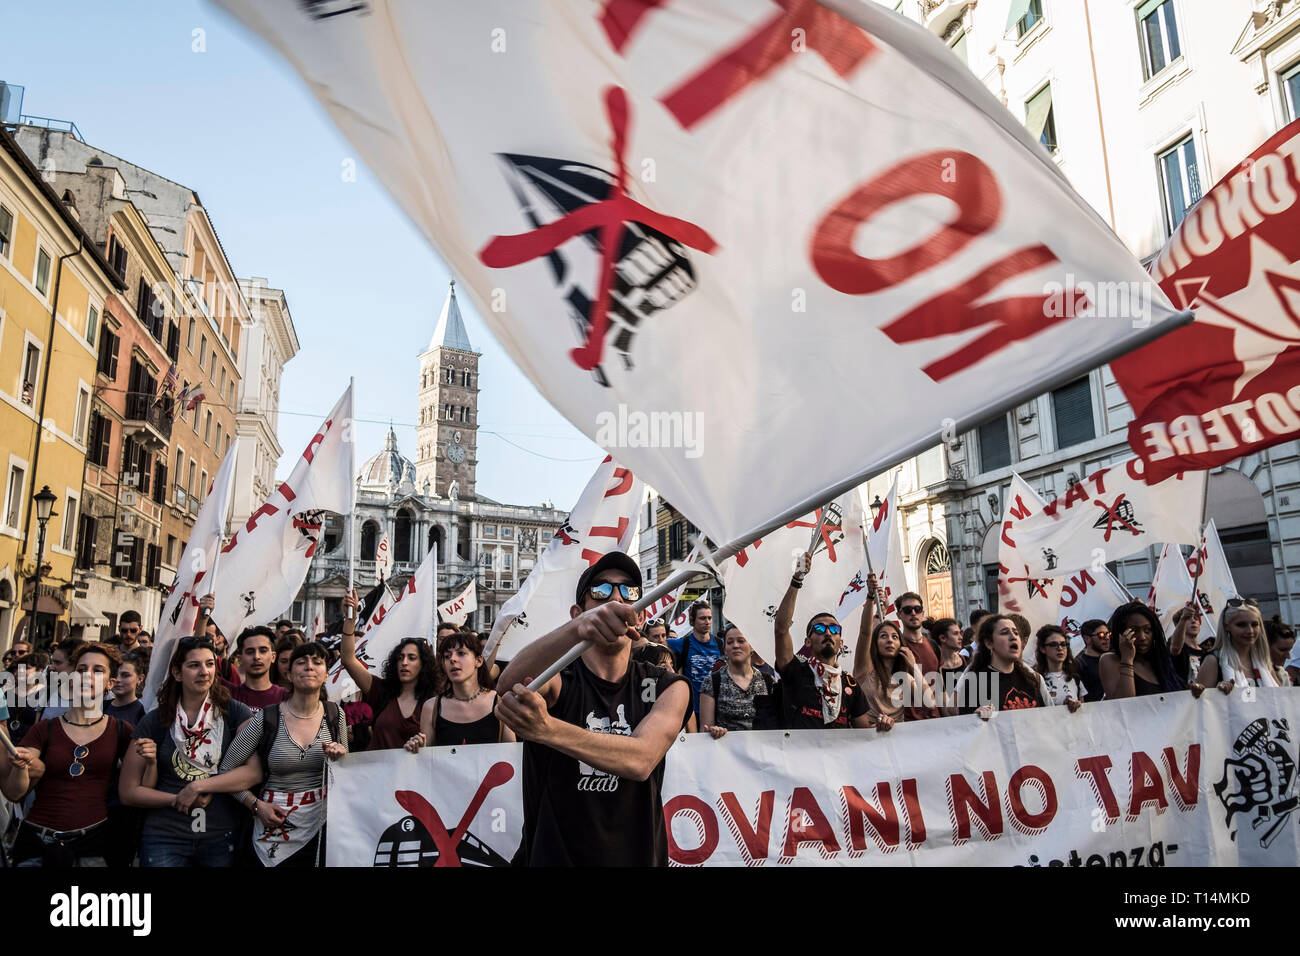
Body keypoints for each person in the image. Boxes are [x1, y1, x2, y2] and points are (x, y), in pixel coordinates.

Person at [495, 551, 691, 866]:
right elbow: (508, 688)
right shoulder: (559, 680)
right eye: (600, 590)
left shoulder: (667, 686)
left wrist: (548, 730)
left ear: (638, 615)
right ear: (579, 612)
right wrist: (577, 630)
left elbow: (641, 760)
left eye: (629, 591)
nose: (616, 597)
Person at [183, 642, 347, 867]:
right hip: (270, 825)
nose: (309, 667)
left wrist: (340, 757)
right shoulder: (267, 718)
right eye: (301, 662)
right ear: (288, 674)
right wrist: (256, 806)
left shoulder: (335, 715)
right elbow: (226, 770)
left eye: (317, 662)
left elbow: (346, 776)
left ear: (327, 674)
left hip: (320, 826)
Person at [119, 636, 253, 867]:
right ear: (177, 673)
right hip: (165, 836)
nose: (204, 671)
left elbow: (253, 772)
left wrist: (198, 786)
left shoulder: (235, 713)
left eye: (209, 664)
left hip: (219, 835)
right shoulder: (155, 720)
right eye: (194, 665)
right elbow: (128, 792)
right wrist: (177, 799)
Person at [2, 643, 132, 866]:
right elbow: (14, 793)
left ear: (111, 683)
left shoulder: (121, 731)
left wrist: (148, 760)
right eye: (81, 670)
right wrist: (20, 767)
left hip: (92, 846)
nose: (87, 676)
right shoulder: (44, 729)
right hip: (38, 843)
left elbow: (135, 789)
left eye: (97, 670)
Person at [775, 552, 888, 731]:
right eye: (819, 629)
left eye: (834, 629)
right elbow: (781, 630)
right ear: (808, 641)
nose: (827, 632)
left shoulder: (850, 684)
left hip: (838, 758)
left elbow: (864, 733)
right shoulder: (796, 671)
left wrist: (883, 726)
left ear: (841, 643)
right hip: (799, 757)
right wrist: (797, 579)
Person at [338, 588, 440, 750]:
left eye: (411, 658)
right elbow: (348, 659)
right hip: (376, 773)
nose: (404, 662)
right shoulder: (381, 690)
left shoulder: (434, 701)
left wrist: (422, 746)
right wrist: (350, 619)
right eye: (400, 658)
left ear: (424, 664)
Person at [405, 630, 515, 750]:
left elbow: (511, 758)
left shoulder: (501, 704)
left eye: (461, 653)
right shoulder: (431, 708)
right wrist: (418, 747)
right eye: (447, 656)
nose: (452, 659)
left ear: (478, 661)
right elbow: (428, 760)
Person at [951, 615, 1049, 716]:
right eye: (1005, 633)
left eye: (1016, 633)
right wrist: (975, 716)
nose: (1013, 637)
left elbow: (1046, 719)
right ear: (989, 643)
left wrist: (1065, 709)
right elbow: (966, 726)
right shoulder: (974, 682)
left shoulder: (1032, 679)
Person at [698, 625, 776, 737]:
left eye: (741, 641)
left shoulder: (768, 681)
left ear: (752, 647)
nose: (735, 645)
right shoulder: (711, 682)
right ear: (725, 649)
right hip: (726, 751)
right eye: (730, 642)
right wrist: (714, 731)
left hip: (761, 750)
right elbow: (705, 730)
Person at [1099, 602, 1188, 699]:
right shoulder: (1110, 660)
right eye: (1134, 631)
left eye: (1147, 630)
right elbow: (1124, 703)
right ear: (1120, 633)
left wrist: (1192, 692)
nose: (1142, 637)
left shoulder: (1160, 661)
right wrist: (1127, 659)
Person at [1192, 598, 1281, 693]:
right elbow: (1202, 703)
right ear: (1226, 626)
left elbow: (1279, 698)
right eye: (1241, 625)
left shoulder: (1264, 661)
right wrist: (1218, 693)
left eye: (1254, 624)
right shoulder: (1213, 661)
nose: (1250, 631)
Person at [857, 620, 931, 723]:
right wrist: (871, 605)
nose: (890, 640)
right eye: (883, 636)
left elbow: (930, 703)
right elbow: (865, 633)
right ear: (875, 643)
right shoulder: (866, 672)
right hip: (869, 735)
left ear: (901, 645)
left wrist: (914, 666)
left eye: (895, 637)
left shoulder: (905, 678)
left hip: (897, 737)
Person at [666, 600, 722, 717]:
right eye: (702, 618)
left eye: (709, 618)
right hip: (692, 710)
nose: (707, 622)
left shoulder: (721, 644)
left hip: (718, 709)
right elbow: (654, 643)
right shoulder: (682, 644)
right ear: (692, 621)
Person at [225, 625, 289, 713]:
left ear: (273, 657)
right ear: (240, 659)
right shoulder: (227, 695)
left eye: (263, 651)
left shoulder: (287, 697)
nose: (256, 657)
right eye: (250, 652)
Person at [1034, 625, 1084, 711]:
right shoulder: (1035, 679)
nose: (1060, 648)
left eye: (1063, 644)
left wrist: (1075, 705)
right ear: (1042, 649)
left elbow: (1082, 711)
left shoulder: (1075, 678)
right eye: (1053, 644)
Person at [896, 591, 940, 677]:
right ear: (899, 615)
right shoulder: (896, 646)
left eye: (917, 609)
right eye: (907, 610)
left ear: (922, 613)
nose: (913, 613)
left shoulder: (933, 645)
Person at [931, 617, 966, 708]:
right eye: (955, 634)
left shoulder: (966, 660)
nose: (961, 638)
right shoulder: (935, 666)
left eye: (960, 633)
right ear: (943, 638)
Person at [1074, 619, 1110, 702]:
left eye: (1108, 634)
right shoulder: (1079, 664)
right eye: (1101, 635)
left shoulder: (1113, 659)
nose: (1107, 638)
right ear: (1087, 639)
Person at [105, 655, 146, 727]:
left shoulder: (143, 712)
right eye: (114, 675)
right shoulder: (100, 707)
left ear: (140, 679)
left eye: (125, 675)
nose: (117, 680)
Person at [1265, 616, 1295, 686]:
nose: (1288, 656)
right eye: (1282, 650)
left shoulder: (1283, 674)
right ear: (1265, 646)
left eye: (1289, 650)